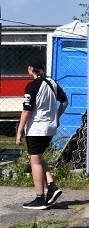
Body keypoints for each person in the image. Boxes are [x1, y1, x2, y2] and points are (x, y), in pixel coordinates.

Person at [15, 62, 68, 210]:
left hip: (36, 128)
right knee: (38, 157)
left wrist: (19, 131)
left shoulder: (31, 86)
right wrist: (56, 117)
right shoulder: (52, 82)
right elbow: (64, 101)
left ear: (30, 69)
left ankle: (40, 199)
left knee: (35, 162)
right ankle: (51, 186)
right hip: (50, 128)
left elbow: (27, 110)